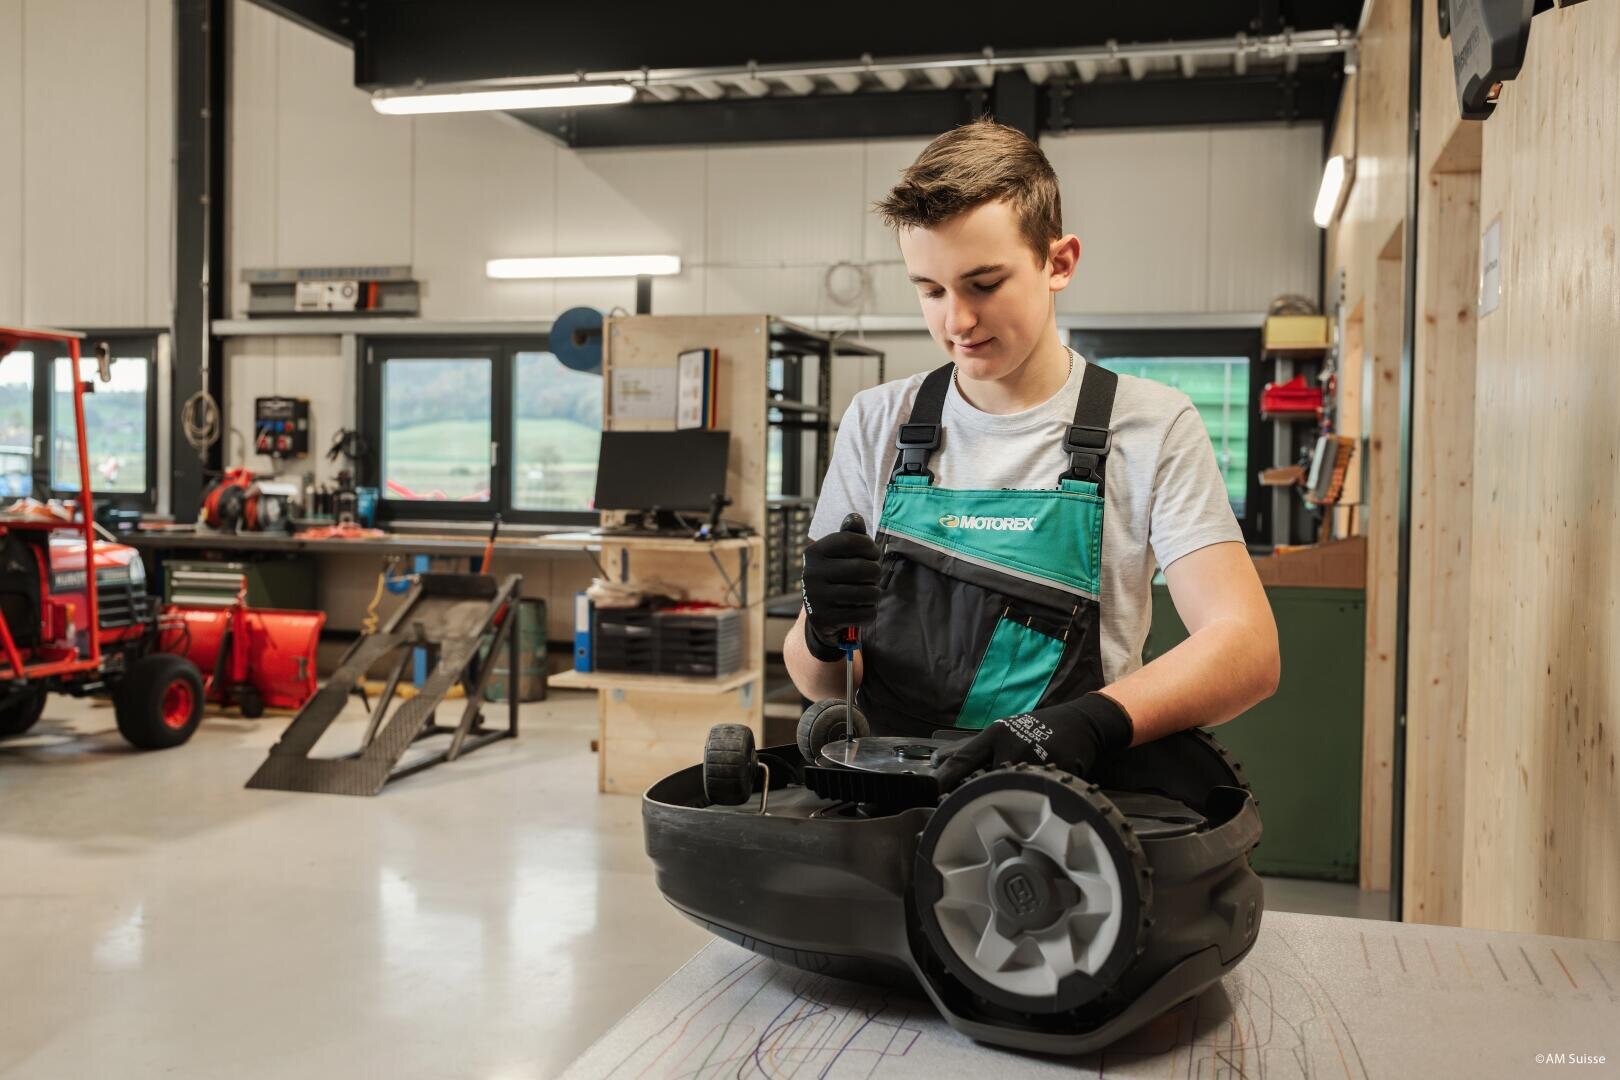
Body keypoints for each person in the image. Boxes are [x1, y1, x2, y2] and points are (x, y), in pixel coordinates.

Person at [786, 118, 1280, 791]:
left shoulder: (1152, 426)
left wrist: (1091, 722)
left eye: (984, 284)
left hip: (1068, 810)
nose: (956, 321)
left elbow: (1247, 648)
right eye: (930, 290)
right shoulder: (879, 422)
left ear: (1059, 262)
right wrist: (821, 630)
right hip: (890, 800)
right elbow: (821, 684)